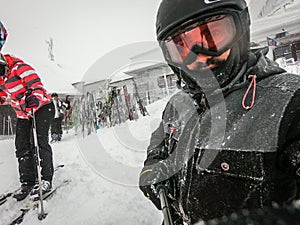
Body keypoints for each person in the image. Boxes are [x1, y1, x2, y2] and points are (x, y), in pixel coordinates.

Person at [139, 0, 300, 224]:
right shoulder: (178, 104)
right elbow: (160, 141)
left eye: (212, 36)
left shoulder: (289, 102)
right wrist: (154, 169)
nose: (200, 57)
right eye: (182, 46)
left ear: (240, 28)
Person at [0, 21, 55, 201]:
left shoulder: (19, 67)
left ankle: (46, 179)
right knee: (22, 146)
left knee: (39, 142)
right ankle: (27, 181)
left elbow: (37, 87)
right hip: (23, 113)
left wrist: (33, 96)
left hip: (42, 107)